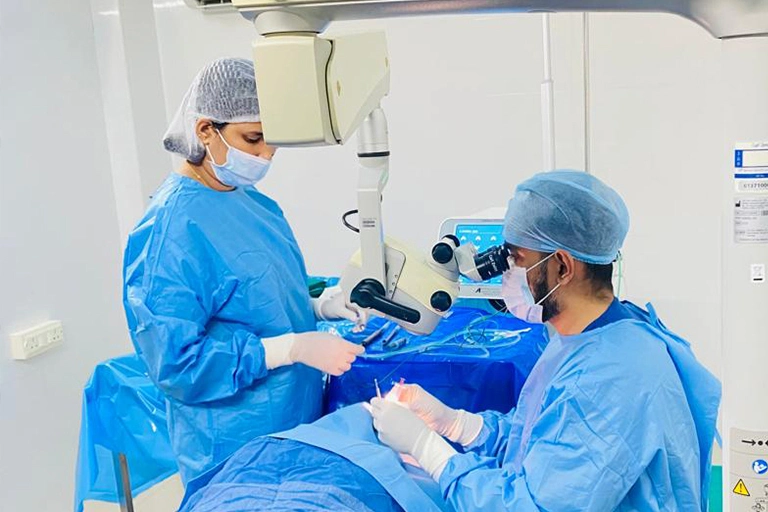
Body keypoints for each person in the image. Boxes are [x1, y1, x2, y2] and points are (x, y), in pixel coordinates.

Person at [370, 170, 721, 511]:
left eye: (517, 259)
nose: (507, 273)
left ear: (563, 267)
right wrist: (458, 424)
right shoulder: (591, 334)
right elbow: (542, 442)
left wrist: (426, 448)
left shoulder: (608, 378)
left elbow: (535, 505)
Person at [123, 57, 367, 484]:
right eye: (253, 139)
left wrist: (321, 303)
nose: (265, 155)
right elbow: (177, 364)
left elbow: (259, 291)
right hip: (233, 442)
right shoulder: (170, 229)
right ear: (205, 130)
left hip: (295, 415)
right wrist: (289, 349)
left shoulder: (251, 202)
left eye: (273, 142)